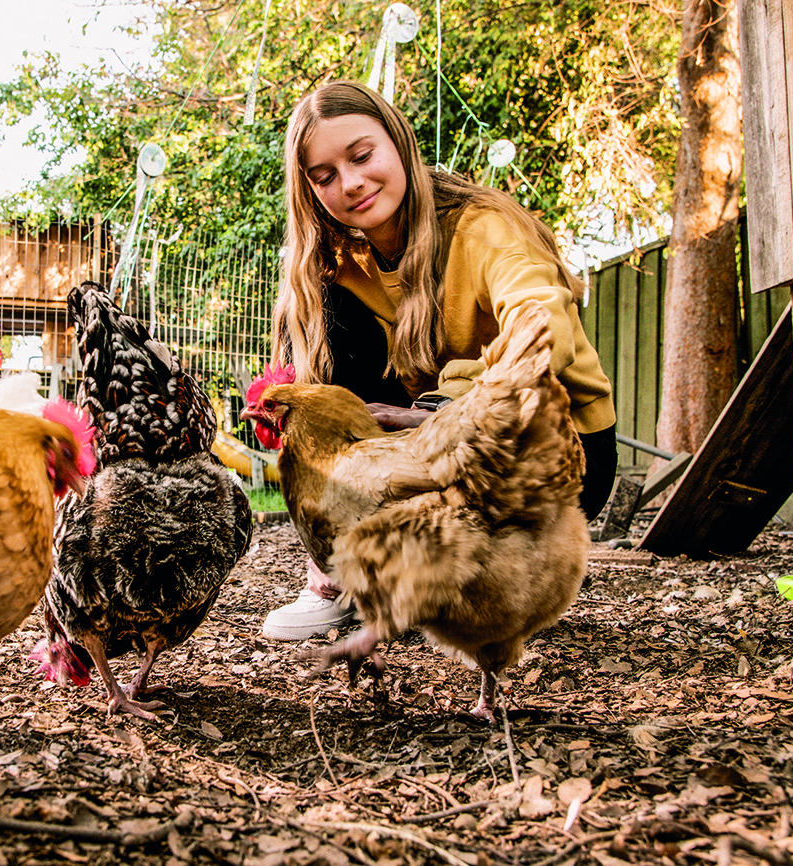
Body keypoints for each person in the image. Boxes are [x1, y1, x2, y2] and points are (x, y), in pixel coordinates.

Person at [260, 81, 618, 641]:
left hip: (555, 449)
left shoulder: (485, 227)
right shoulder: (341, 262)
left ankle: (505, 572)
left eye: (362, 156)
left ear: (399, 142)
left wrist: (444, 408)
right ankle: (340, 570)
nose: (350, 183)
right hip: (434, 452)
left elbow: (541, 329)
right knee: (316, 311)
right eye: (324, 176)